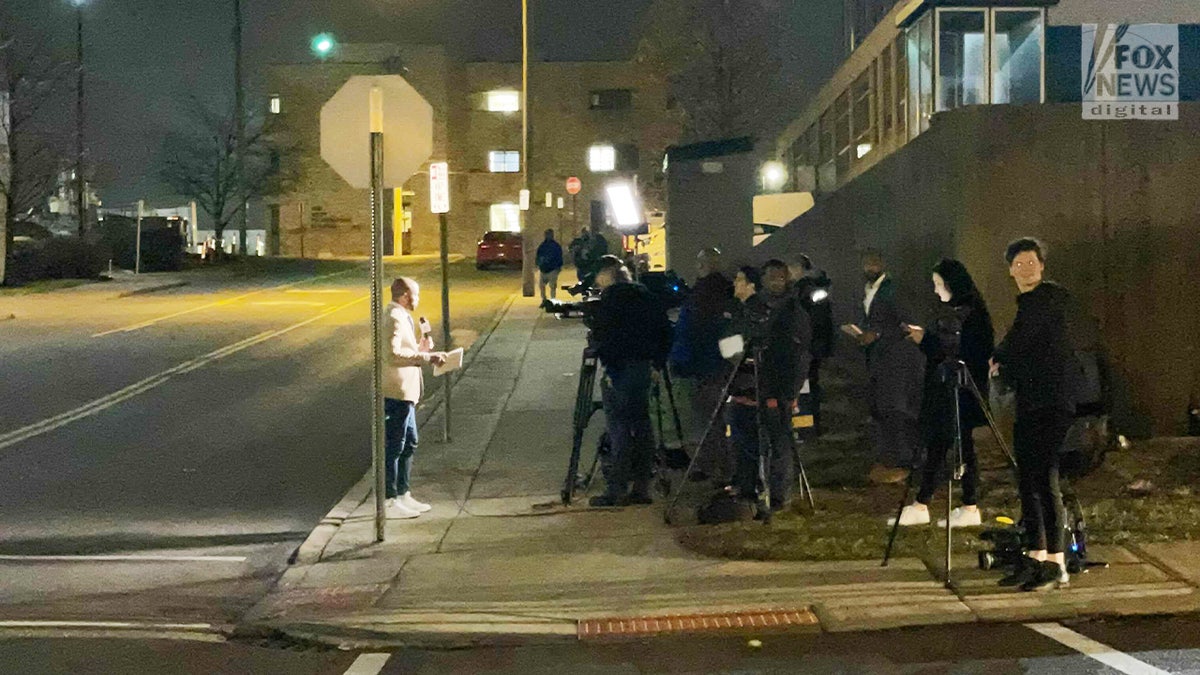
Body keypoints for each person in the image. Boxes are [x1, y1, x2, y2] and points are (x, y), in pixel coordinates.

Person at [991, 238, 1077, 592]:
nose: (1026, 268)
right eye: (1019, 263)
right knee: (1028, 479)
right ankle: (1036, 554)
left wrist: (1001, 360)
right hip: (1031, 401)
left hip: (1052, 401)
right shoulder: (1028, 304)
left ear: (1042, 266)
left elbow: (1022, 344)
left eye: (1032, 262)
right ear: (1011, 269)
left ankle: (1057, 562)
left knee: (1044, 479)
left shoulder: (1048, 301)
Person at [893, 259, 994, 528]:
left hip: (958, 393)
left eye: (939, 284)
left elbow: (957, 352)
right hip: (949, 391)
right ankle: (928, 503)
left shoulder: (968, 314)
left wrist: (924, 340)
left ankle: (959, 505)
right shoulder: (959, 311)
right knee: (943, 447)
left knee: (956, 448)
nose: (936, 290)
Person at [724, 262, 811, 514]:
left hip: (778, 391)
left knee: (779, 445)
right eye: (771, 277)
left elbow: (800, 355)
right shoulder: (749, 310)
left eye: (781, 277)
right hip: (745, 388)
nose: (776, 282)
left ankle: (778, 499)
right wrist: (742, 358)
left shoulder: (794, 313)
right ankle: (747, 490)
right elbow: (728, 346)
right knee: (745, 443)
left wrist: (790, 392)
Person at [588, 256, 673, 507]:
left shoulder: (610, 301)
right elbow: (666, 331)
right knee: (643, 425)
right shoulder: (646, 296)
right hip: (644, 368)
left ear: (607, 275)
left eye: (598, 276)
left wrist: (611, 370)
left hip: (621, 371)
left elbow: (606, 338)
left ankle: (616, 489)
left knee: (620, 429)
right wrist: (657, 363)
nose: (596, 282)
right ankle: (642, 487)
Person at [846, 250, 925, 484]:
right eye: (866, 264)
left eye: (873, 263)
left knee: (896, 410)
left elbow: (908, 324)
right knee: (882, 410)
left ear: (882, 263)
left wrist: (877, 334)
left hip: (898, 360)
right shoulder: (867, 290)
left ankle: (903, 462)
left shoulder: (894, 289)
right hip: (878, 360)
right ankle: (888, 458)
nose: (869, 267)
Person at [383, 277, 447, 519]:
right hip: (395, 391)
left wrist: (421, 349)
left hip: (407, 392)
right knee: (395, 445)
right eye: (416, 294)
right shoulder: (393, 317)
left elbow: (405, 351)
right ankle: (389, 500)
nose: (418, 299)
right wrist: (428, 358)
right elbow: (392, 354)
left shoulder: (402, 316)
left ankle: (403, 493)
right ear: (405, 295)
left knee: (410, 442)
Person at [668, 248, 734, 481]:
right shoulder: (725, 292)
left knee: (711, 419)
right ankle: (714, 466)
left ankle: (723, 470)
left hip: (706, 367)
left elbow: (694, 334)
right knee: (713, 419)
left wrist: (682, 362)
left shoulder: (703, 295)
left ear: (703, 266)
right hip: (716, 365)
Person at [792, 254, 834, 436]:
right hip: (812, 348)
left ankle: (808, 426)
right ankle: (809, 425)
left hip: (807, 349)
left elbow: (815, 322)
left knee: (806, 387)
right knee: (809, 386)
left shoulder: (803, 292)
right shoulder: (812, 291)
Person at [535, 229, 564, 301]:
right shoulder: (543, 246)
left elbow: (559, 256)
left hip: (552, 269)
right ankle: (544, 299)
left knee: (552, 286)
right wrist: (538, 263)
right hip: (544, 269)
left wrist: (558, 267)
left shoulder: (555, 246)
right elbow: (538, 255)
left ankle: (552, 300)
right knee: (542, 285)